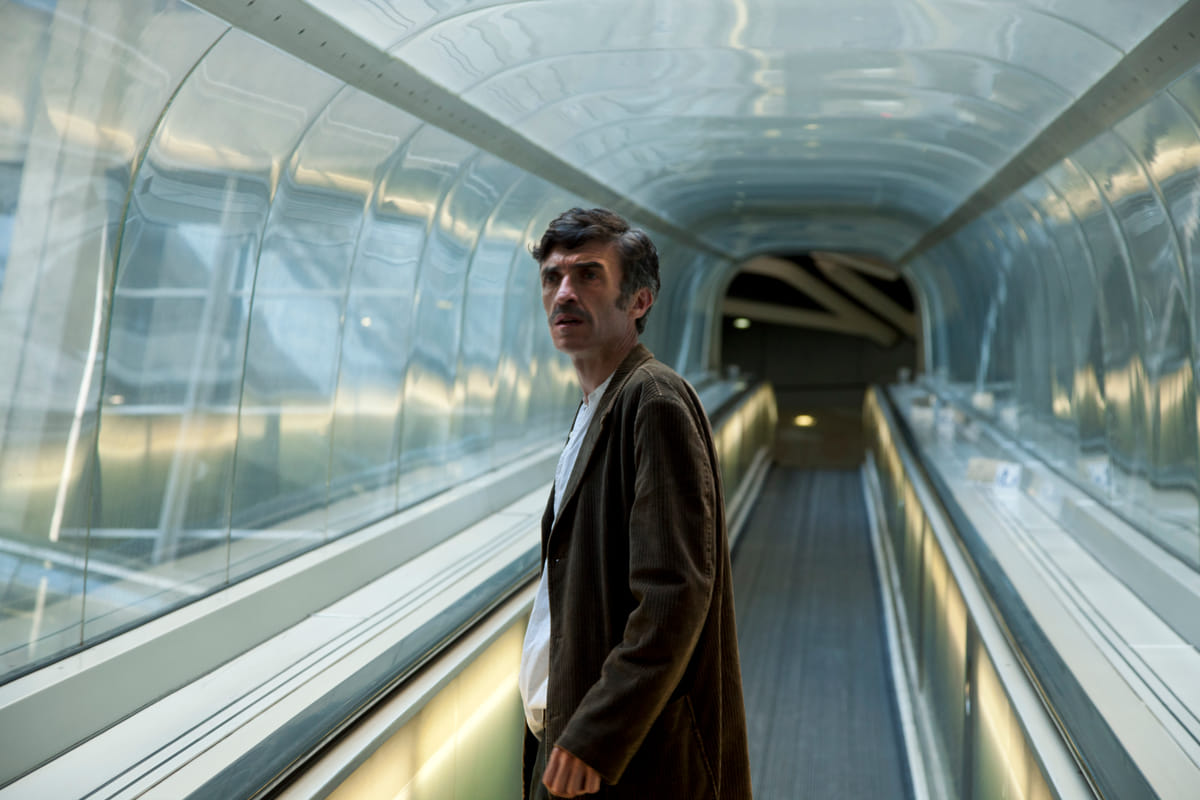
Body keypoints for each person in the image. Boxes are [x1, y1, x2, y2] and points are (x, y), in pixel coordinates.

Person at [519, 207, 752, 798]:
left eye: (588, 275)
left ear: (639, 301)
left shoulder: (653, 401)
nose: (563, 293)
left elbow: (673, 594)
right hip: (581, 733)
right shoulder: (599, 403)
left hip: (629, 757)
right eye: (552, 277)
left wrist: (596, 735)